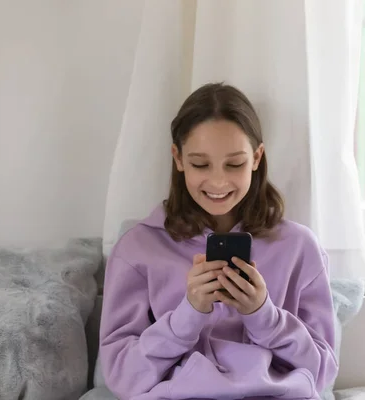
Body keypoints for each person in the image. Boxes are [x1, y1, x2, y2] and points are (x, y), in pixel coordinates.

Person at [99, 83, 338, 400]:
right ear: (178, 158)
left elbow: (321, 372)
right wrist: (188, 315)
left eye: (234, 164)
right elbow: (121, 377)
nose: (218, 181)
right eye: (200, 164)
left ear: (256, 158)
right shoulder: (137, 249)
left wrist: (263, 315)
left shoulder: (300, 248)